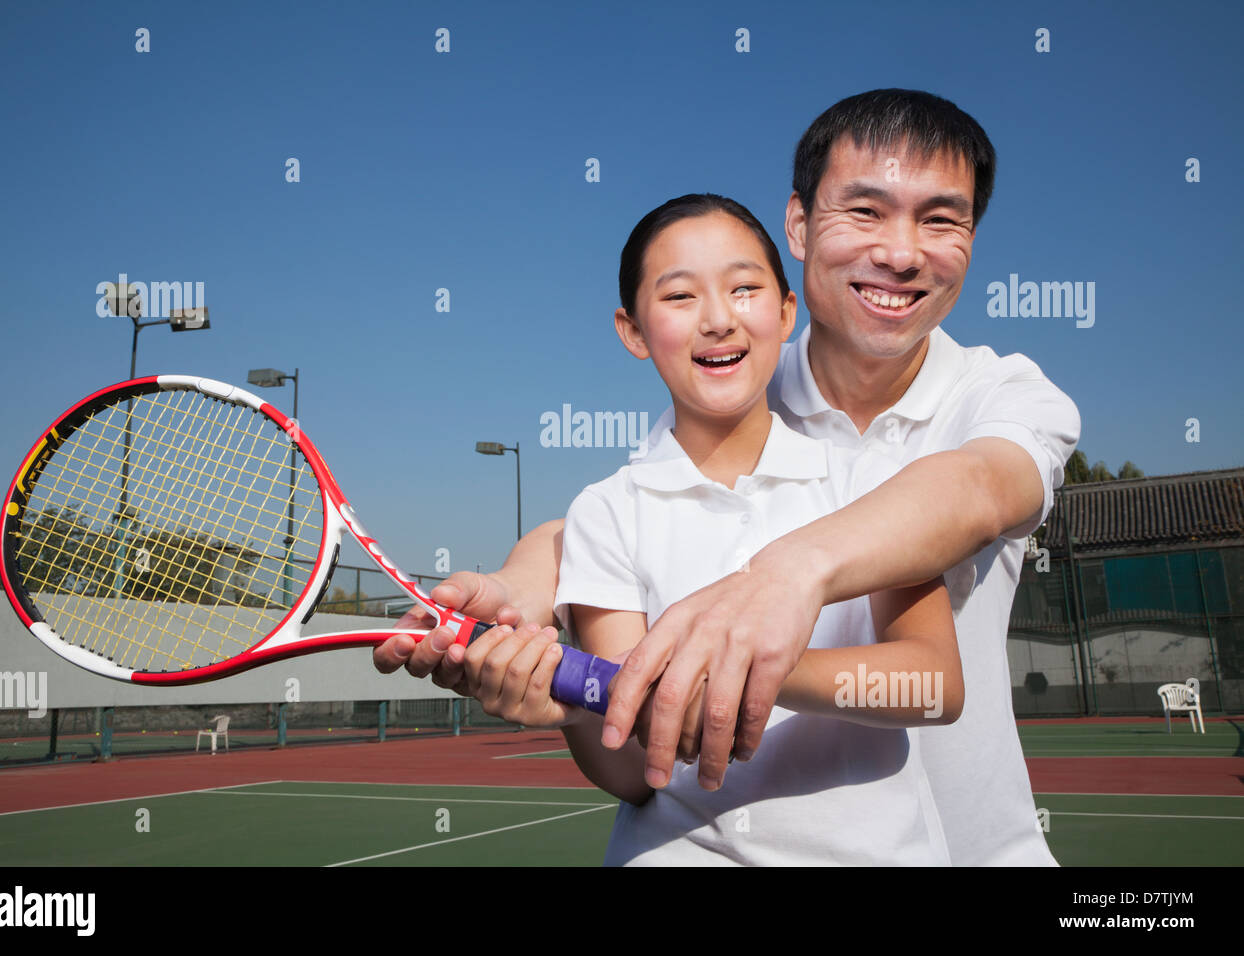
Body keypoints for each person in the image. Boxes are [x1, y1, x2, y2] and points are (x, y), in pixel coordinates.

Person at [375, 89, 1080, 867]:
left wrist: (780, 591)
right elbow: (608, 524)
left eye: (941, 219)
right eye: (867, 212)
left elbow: (977, 489)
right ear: (801, 227)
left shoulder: (1003, 394)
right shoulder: (736, 388)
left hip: (979, 850)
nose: (903, 252)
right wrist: (523, 594)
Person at [460, 193, 963, 865]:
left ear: (786, 312)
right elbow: (638, 773)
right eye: (679, 297)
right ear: (633, 331)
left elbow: (934, 688)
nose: (718, 320)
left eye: (744, 288)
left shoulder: (872, 479)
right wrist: (579, 711)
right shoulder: (604, 512)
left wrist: (754, 667)